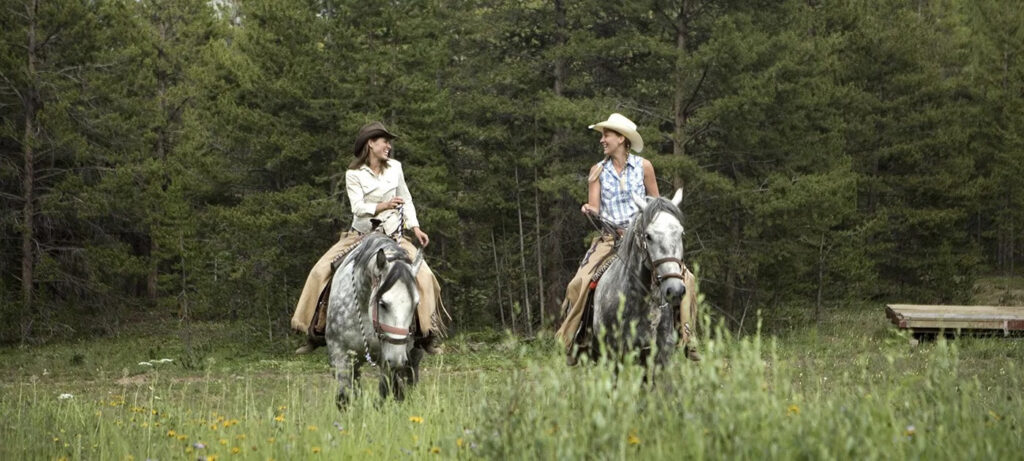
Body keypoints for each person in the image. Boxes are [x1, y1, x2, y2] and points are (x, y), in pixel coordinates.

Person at [556, 113, 699, 365]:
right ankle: (577, 338)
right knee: (579, 282)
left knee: (685, 277)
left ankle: (687, 336)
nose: (602, 140)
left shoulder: (644, 167)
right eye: (602, 136)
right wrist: (589, 209)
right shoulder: (597, 171)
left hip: (644, 239)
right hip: (611, 239)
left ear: (621, 138)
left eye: (606, 135)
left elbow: (657, 205)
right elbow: (596, 207)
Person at [291, 121, 445, 354]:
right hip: (360, 236)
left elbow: (407, 198)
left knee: (425, 275)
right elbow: (358, 208)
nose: (389, 146)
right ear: (371, 144)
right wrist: (385, 205)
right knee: (319, 271)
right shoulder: (353, 174)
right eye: (385, 141)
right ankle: (315, 329)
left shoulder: (396, 168)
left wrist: (415, 228)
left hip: (393, 236)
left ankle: (426, 333)